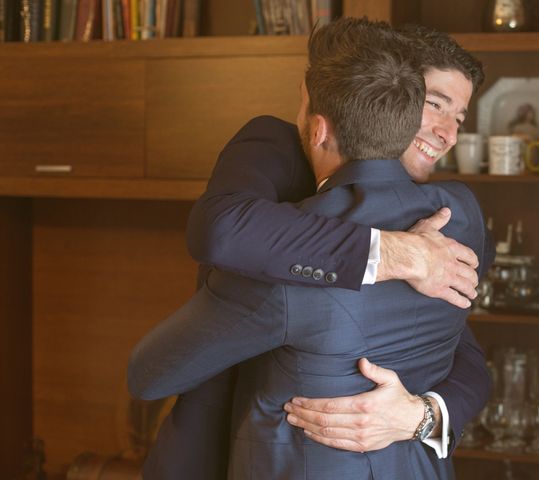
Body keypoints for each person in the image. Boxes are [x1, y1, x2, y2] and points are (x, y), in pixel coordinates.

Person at [129, 18, 494, 479]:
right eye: (435, 104)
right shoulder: (278, 146)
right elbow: (222, 229)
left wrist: (422, 415)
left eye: (459, 117)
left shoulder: (449, 217)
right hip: (223, 447)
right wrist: (392, 253)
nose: (447, 133)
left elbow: (465, 349)